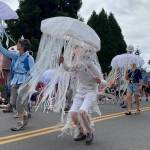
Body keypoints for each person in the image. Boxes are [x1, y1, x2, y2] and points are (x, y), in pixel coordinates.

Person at [59, 47, 102, 145]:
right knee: (73, 113)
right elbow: (68, 68)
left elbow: (102, 80)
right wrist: (63, 62)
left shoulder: (91, 65)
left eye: (78, 49)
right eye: (76, 49)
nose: (75, 51)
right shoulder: (78, 64)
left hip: (90, 92)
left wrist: (99, 81)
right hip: (80, 92)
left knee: (82, 112)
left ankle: (89, 132)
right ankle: (82, 131)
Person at [0, 39, 34, 129]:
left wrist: (29, 82)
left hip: (25, 82)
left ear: (23, 46)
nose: (17, 45)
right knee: (13, 102)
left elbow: (33, 72)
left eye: (18, 44)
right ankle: (25, 114)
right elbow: (5, 52)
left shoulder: (29, 58)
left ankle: (20, 123)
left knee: (19, 103)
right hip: (16, 81)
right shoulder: (17, 55)